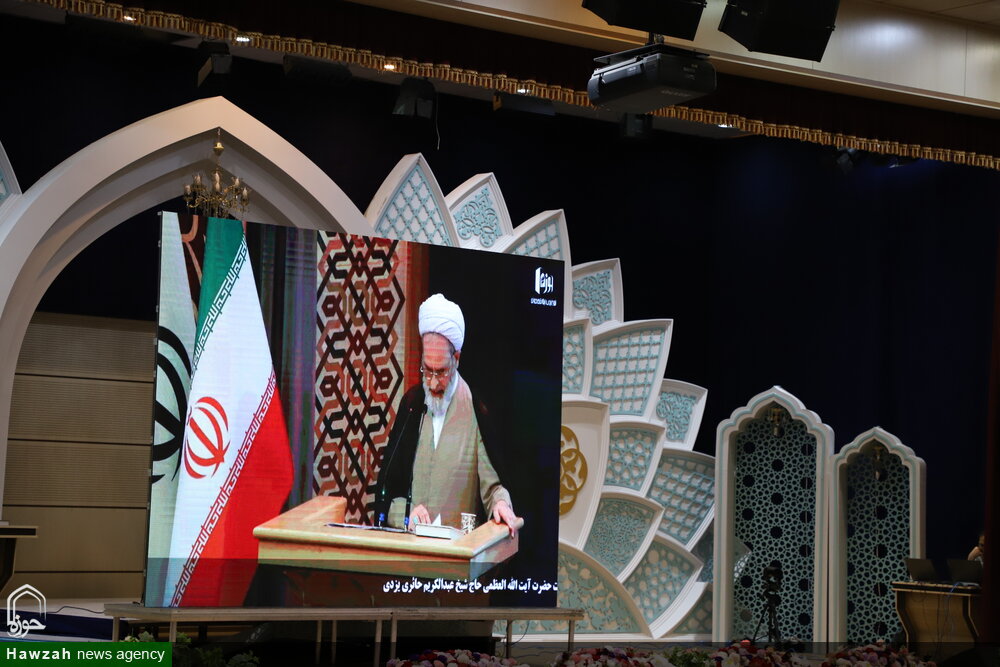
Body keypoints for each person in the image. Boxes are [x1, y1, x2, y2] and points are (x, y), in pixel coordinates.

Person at [374, 293, 518, 532]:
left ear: (456, 359)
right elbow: (387, 491)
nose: (432, 383)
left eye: (440, 372)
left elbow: (492, 488)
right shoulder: (412, 404)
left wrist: (501, 503)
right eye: (427, 370)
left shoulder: (475, 409)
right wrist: (407, 515)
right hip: (411, 548)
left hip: (459, 549)